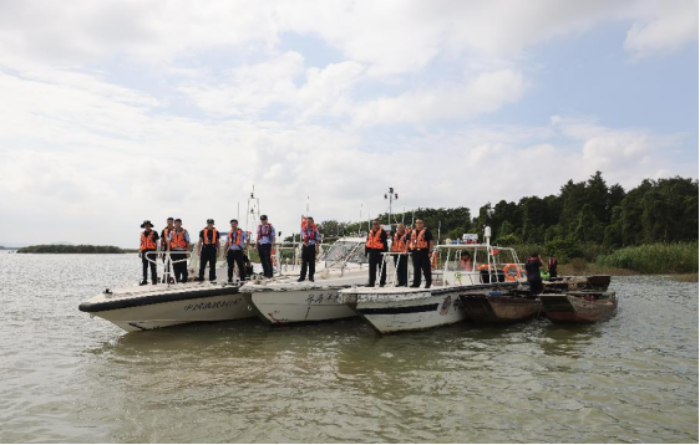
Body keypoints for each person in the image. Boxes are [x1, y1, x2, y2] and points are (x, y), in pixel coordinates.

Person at [409, 219, 434, 289]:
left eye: (420, 223)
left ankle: (428, 283)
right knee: (416, 268)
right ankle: (416, 283)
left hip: (424, 251)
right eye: (417, 223)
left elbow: (431, 241)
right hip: (415, 251)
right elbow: (410, 240)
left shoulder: (427, 232)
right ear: (415, 224)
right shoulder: (413, 232)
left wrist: (430, 251)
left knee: (426, 268)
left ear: (423, 224)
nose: (419, 224)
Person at [366, 219, 388, 287]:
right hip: (372, 251)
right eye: (374, 224)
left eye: (376, 224)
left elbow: (385, 242)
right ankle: (371, 282)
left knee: (382, 267)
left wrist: (385, 252)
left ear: (379, 224)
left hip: (380, 252)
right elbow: (367, 242)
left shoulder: (382, 232)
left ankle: (382, 282)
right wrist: (366, 252)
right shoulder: (370, 232)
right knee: (372, 268)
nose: (375, 225)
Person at [168, 219, 190, 284]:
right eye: (176, 223)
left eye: (179, 223)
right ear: (174, 224)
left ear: (181, 224)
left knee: (183, 266)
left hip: (182, 251)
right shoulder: (171, 232)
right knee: (175, 266)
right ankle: (176, 279)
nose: (177, 224)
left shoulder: (185, 232)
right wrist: (168, 251)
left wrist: (187, 250)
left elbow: (188, 241)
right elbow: (169, 242)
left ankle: (184, 279)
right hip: (174, 251)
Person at [225, 219, 248, 284]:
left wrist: (245, 247)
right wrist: (225, 252)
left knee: (241, 265)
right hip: (231, 251)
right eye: (232, 224)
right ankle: (230, 279)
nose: (233, 225)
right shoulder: (229, 233)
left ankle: (242, 279)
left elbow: (248, 239)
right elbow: (227, 243)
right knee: (230, 266)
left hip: (238, 251)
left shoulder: (242, 232)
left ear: (237, 224)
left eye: (234, 224)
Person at [299, 217, 320, 283]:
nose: (308, 223)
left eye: (310, 222)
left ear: (312, 223)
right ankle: (302, 277)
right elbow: (301, 239)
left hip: (312, 247)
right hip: (305, 247)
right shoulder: (303, 230)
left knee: (312, 263)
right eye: (307, 222)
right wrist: (302, 246)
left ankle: (311, 276)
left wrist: (317, 249)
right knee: (304, 263)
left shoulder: (315, 230)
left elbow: (317, 240)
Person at [139, 220, 159, 286]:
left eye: (148, 225)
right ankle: (144, 280)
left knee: (153, 266)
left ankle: (154, 280)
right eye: (145, 225)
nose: (147, 226)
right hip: (144, 251)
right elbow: (141, 243)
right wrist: (139, 252)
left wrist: (157, 252)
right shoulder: (142, 233)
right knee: (144, 266)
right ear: (144, 226)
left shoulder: (154, 233)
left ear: (150, 225)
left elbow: (157, 243)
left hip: (152, 251)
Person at [160, 217, 175, 283]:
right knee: (166, 263)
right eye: (168, 221)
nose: (169, 223)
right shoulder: (164, 230)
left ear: (173, 222)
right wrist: (160, 251)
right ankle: (166, 277)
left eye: (170, 221)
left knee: (175, 264)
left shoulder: (176, 229)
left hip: (174, 249)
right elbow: (162, 240)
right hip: (165, 248)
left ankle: (176, 277)